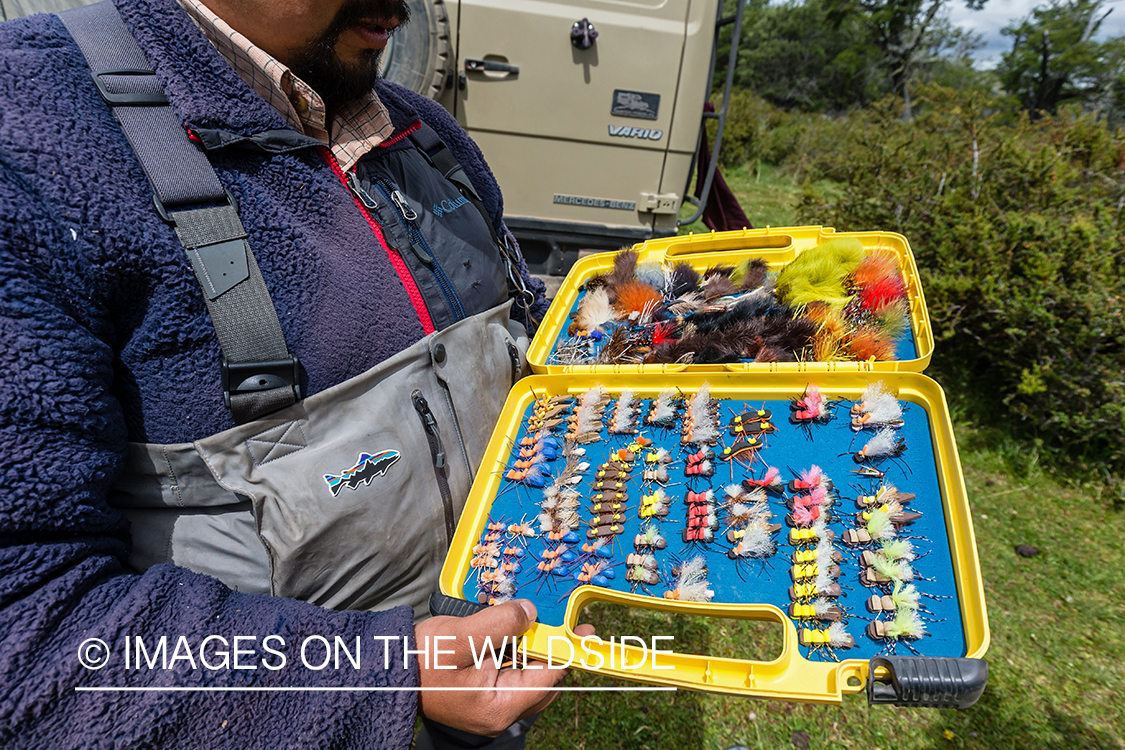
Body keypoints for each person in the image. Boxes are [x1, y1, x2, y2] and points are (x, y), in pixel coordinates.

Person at [0, 0, 589, 746]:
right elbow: (26, 637)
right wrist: (378, 677)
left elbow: (511, 332)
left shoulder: (421, 131)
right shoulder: (29, 142)